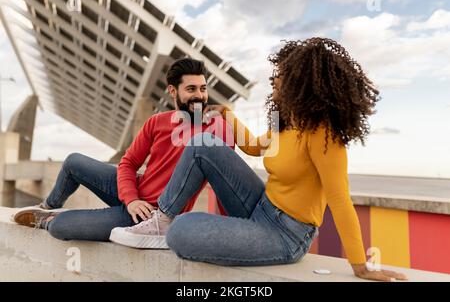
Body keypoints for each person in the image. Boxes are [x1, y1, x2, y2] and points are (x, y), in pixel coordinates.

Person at [110, 38, 408, 282]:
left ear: (300, 84)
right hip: (261, 205)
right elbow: (254, 148)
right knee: (203, 143)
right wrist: (228, 114)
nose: (274, 82)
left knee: (183, 232)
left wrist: (361, 264)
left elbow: (340, 199)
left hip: (285, 234)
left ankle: (170, 226)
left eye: (281, 77)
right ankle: (161, 220)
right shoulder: (287, 122)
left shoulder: (322, 134)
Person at [13, 58, 233, 243]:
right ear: (173, 91)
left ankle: (49, 219)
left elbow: (226, 181)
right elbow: (128, 163)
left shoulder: (218, 129)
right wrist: (131, 199)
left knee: (60, 227)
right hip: (136, 192)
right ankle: (48, 206)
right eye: (191, 89)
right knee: (73, 162)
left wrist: (230, 227)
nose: (200, 95)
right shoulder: (157, 122)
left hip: (151, 215)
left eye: (203, 89)